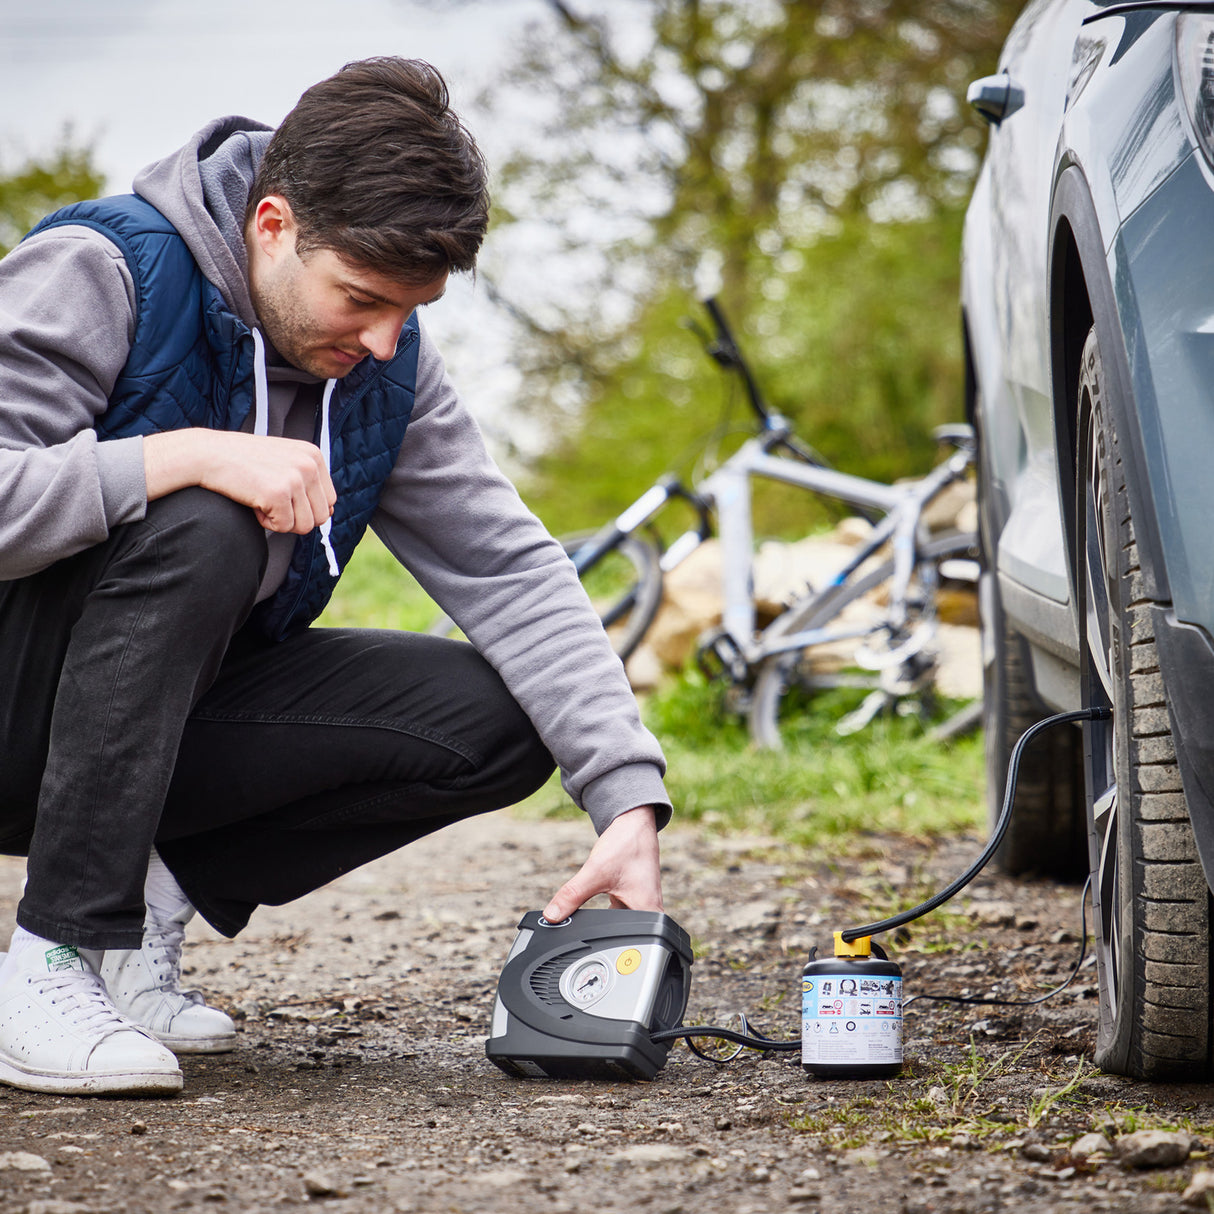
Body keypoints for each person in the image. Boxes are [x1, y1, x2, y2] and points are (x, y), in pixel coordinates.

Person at [0, 57, 670, 1096]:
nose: (385, 337)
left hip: (155, 725)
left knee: (501, 713)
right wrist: (185, 454)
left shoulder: (384, 365)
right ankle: (50, 959)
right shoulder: (102, 266)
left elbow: (509, 568)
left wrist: (625, 801)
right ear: (273, 224)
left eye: (410, 308)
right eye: (361, 297)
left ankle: (137, 924)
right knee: (206, 519)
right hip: (17, 708)